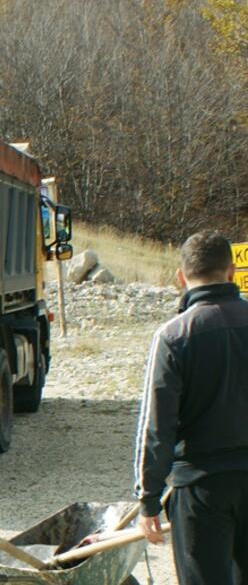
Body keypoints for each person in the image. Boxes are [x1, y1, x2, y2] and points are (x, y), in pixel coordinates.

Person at [134, 231, 248, 584]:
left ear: (181, 277)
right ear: (231, 272)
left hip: (201, 486)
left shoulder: (173, 336)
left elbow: (157, 425)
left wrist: (148, 498)